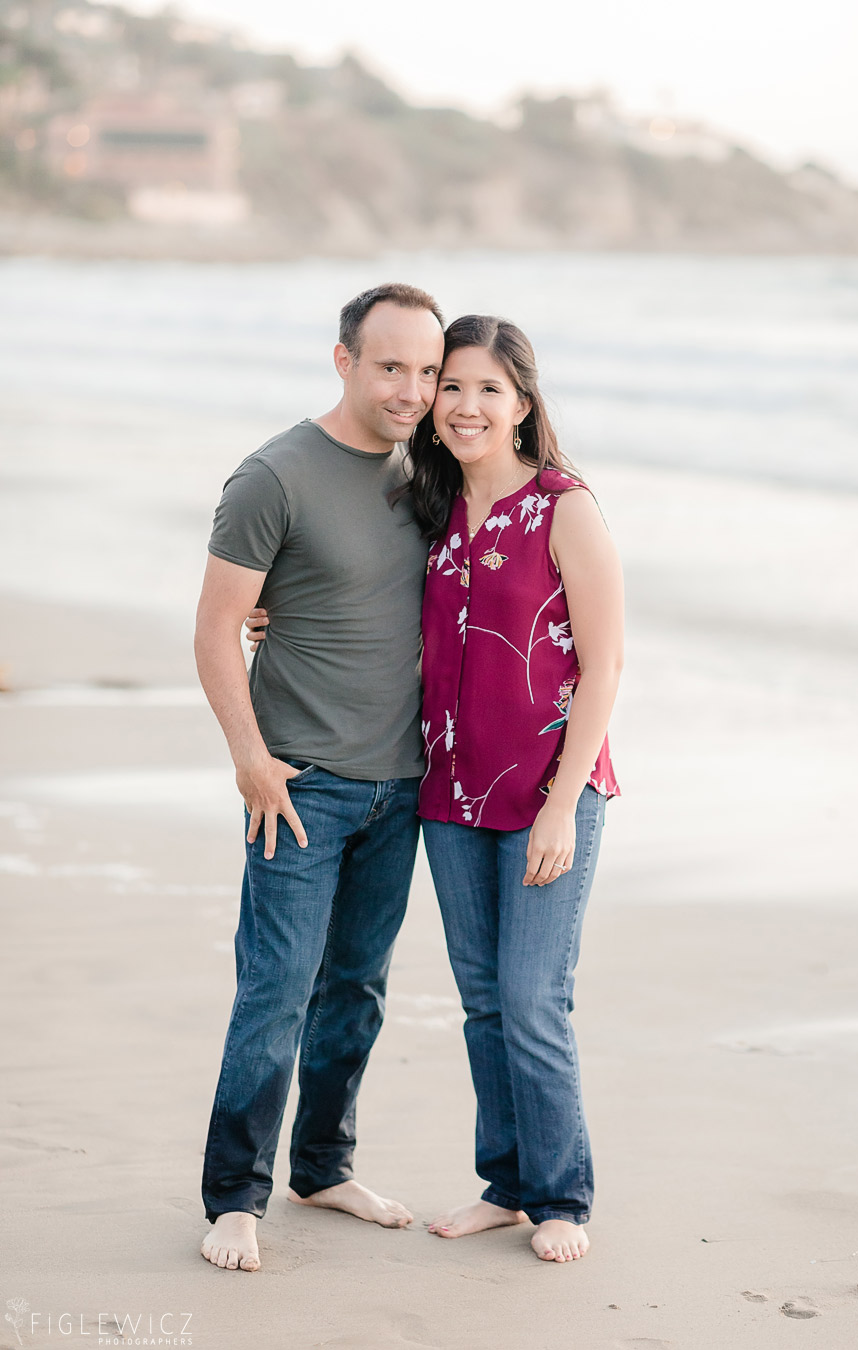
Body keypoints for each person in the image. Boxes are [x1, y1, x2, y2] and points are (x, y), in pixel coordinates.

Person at [251, 312, 625, 1264]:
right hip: (450, 790)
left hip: (546, 791)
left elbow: (608, 663)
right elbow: (358, 592)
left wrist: (561, 804)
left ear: (523, 401)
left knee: (536, 998)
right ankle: (506, 1187)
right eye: (448, 387)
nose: (461, 405)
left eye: (485, 389)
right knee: (485, 999)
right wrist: (273, 611)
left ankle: (562, 1199)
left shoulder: (564, 505)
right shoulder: (430, 505)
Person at [194, 282, 445, 1273]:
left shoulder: (434, 471)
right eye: (392, 366)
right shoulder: (274, 476)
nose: (413, 389)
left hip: (403, 787)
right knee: (277, 992)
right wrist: (251, 761)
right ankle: (233, 1198)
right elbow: (218, 628)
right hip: (302, 787)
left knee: (358, 991)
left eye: (427, 371)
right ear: (344, 361)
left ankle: (323, 1167)